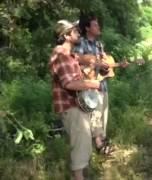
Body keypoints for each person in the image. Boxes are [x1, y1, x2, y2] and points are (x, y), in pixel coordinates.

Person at [49, 20, 101, 180]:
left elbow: (81, 64)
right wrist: (93, 84)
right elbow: (69, 83)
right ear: (65, 35)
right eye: (75, 31)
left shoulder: (69, 55)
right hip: (71, 107)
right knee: (79, 151)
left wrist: (93, 65)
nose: (79, 32)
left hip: (77, 106)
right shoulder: (61, 55)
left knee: (83, 148)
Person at [74, 14, 125, 154]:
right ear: (87, 28)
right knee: (95, 115)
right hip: (89, 85)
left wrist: (110, 66)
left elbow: (104, 65)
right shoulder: (81, 43)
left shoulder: (99, 45)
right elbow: (75, 61)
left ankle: (102, 142)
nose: (99, 27)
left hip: (101, 84)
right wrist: (90, 65)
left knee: (103, 114)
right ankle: (100, 146)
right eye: (95, 25)